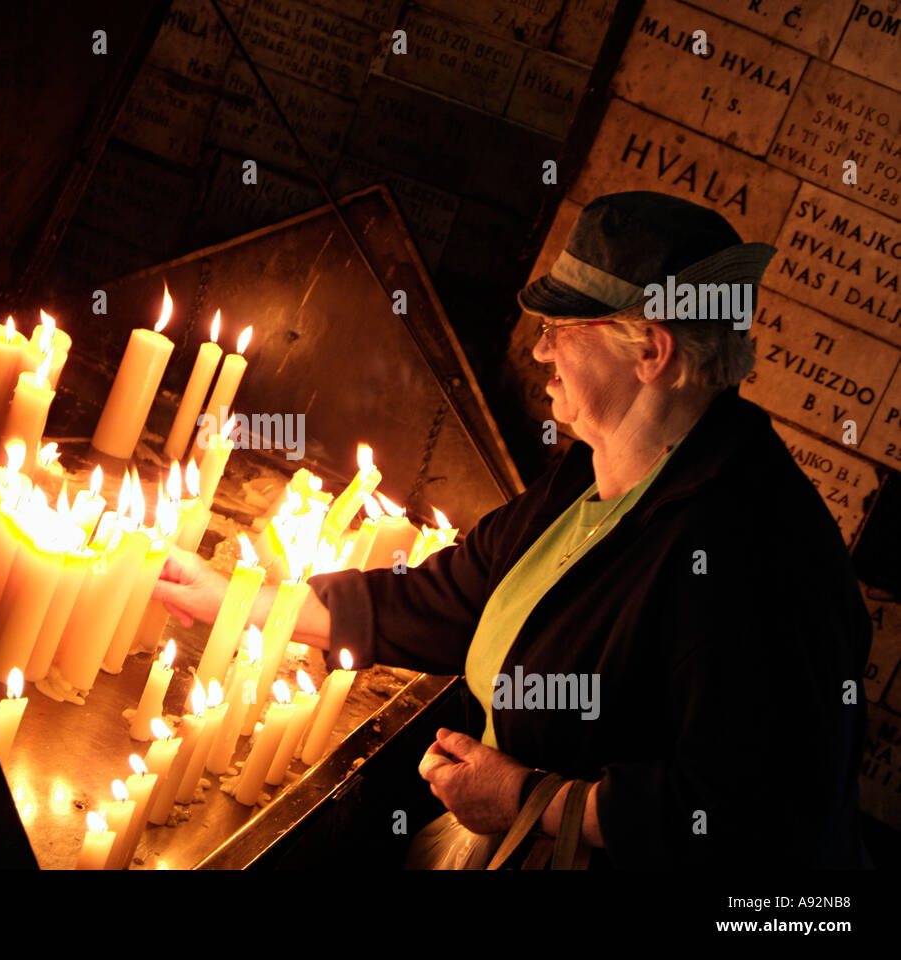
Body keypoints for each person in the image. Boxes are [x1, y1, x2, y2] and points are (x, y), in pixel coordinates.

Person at [153, 191, 872, 868]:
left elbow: (748, 820)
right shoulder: (594, 472)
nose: (539, 352)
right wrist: (238, 602)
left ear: (650, 352)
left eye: (560, 330)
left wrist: (527, 797)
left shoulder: (754, 555)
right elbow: (446, 599)